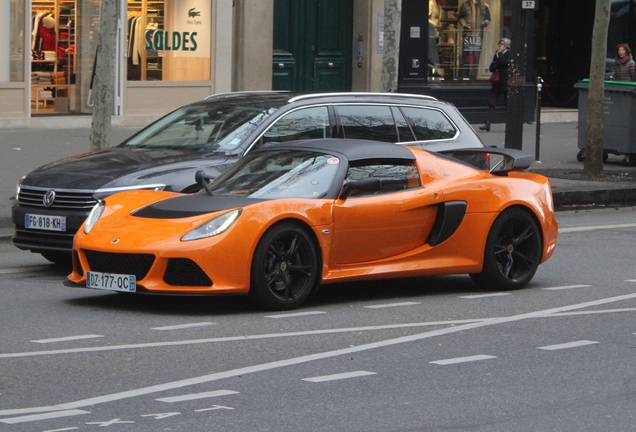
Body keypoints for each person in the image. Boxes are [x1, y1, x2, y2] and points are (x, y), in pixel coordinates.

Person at [479, 38, 510, 132]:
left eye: (502, 44)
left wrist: (500, 56)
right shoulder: (497, 53)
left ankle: (510, 124)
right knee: (491, 103)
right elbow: (492, 67)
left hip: (505, 83)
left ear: (506, 45)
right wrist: (496, 64)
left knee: (507, 105)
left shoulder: (508, 53)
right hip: (497, 83)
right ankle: (487, 123)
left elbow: (505, 63)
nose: (500, 45)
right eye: (499, 43)